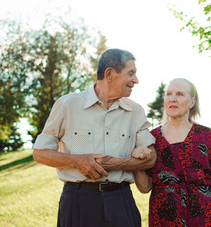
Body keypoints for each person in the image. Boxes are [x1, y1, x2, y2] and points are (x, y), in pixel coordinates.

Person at [32, 48, 156, 227]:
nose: (136, 80)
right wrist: (77, 161)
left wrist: (113, 163)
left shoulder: (136, 111)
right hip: (78, 201)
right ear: (109, 74)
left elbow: (151, 158)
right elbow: (40, 154)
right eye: (131, 74)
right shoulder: (67, 105)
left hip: (121, 201)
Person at [133, 78, 211, 227]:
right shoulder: (151, 139)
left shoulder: (207, 136)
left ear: (192, 102)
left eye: (179, 94)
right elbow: (144, 188)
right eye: (169, 94)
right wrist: (138, 163)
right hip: (164, 219)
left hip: (204, 218)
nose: (172, 99)